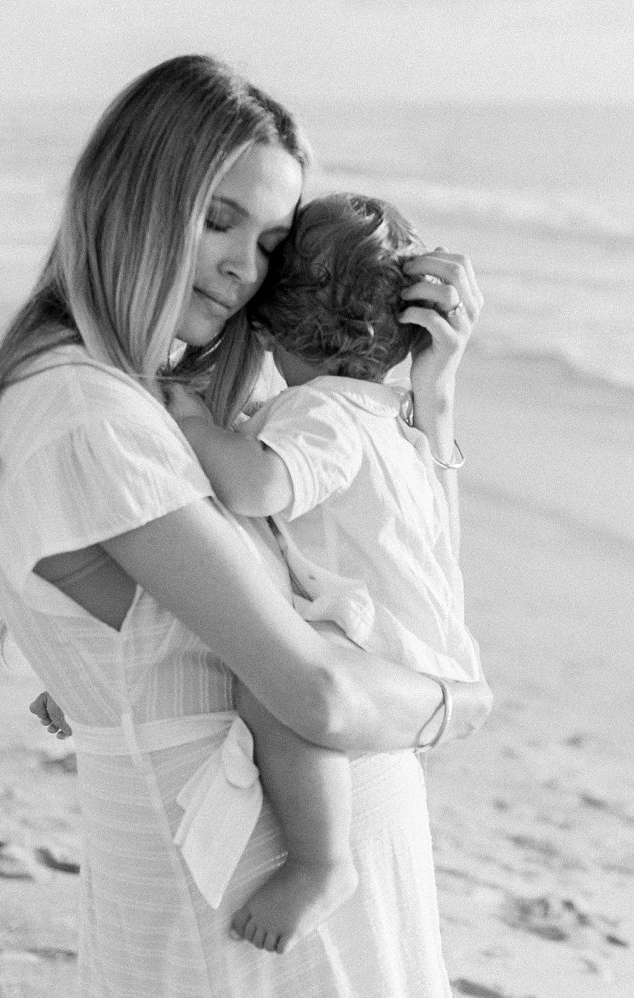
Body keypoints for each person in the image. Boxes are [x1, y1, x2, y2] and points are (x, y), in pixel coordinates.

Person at [0, 54, 490, 997]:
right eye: (217, 219)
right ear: (133, 201)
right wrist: (455, 702)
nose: (245, 268)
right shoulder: (93, 418)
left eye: (273, 243)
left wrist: (431, 403)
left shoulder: (116, 398)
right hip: (247, 897)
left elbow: (396, 559)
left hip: (260, 871)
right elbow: (315, 694)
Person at [163, 191, 482, 954]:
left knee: (281, 684)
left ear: (271, 327)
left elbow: (253, 488)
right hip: (418, 646)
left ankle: (319, 862)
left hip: (374, 650)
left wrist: (193, 423)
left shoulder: (327, 414)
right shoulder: (388, 417)